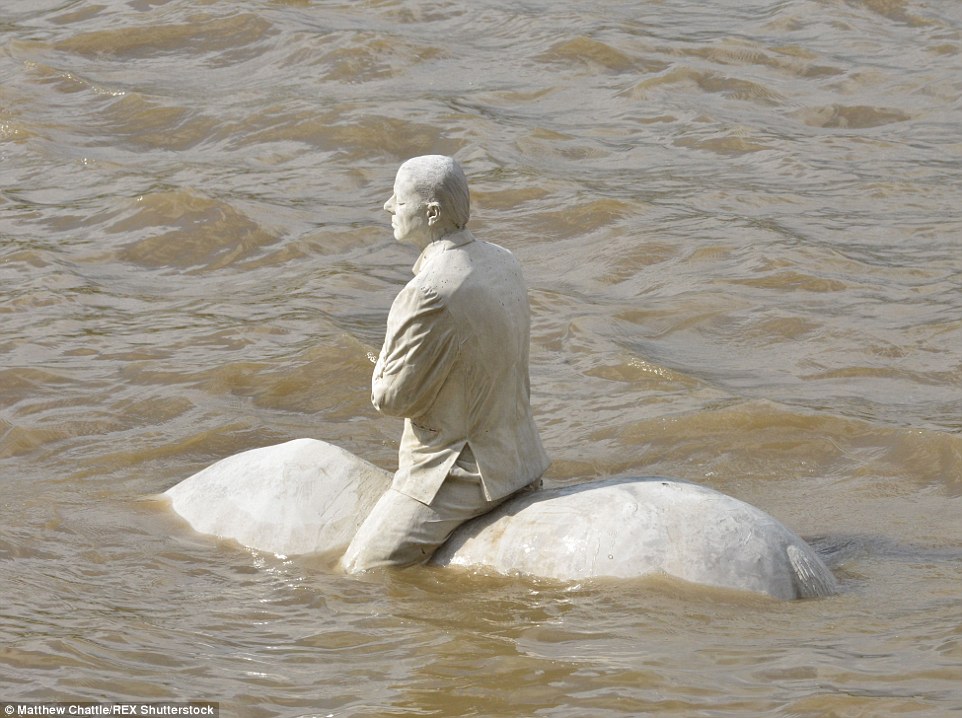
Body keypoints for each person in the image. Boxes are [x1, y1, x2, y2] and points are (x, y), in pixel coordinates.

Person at [341, 155, 550, 572]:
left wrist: (382, 356)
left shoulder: (428, 292)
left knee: (360, 570)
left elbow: (390, 399)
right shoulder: (504, 259)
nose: (387, 207)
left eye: (399, 201)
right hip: (522, 458)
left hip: (460, 474)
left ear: (431, 212)